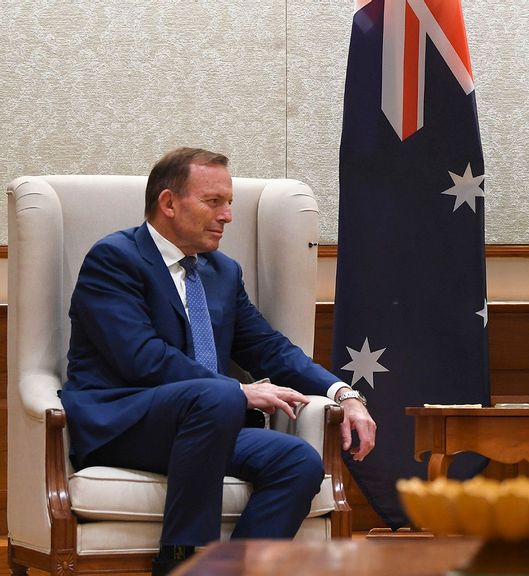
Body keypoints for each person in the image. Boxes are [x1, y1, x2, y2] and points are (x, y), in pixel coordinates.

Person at [60, 147, 377, 575]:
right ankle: (181, 561)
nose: (227, 215)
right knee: (218, 395)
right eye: (213, 202)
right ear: (168, 203)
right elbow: (141, 358)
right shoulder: (115, 259)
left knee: (297, 462)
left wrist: (345, 393)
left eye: (229, 203)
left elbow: (270, 348)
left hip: (208, 424)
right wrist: (238, 392)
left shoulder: (221, 272)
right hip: (125, 423)